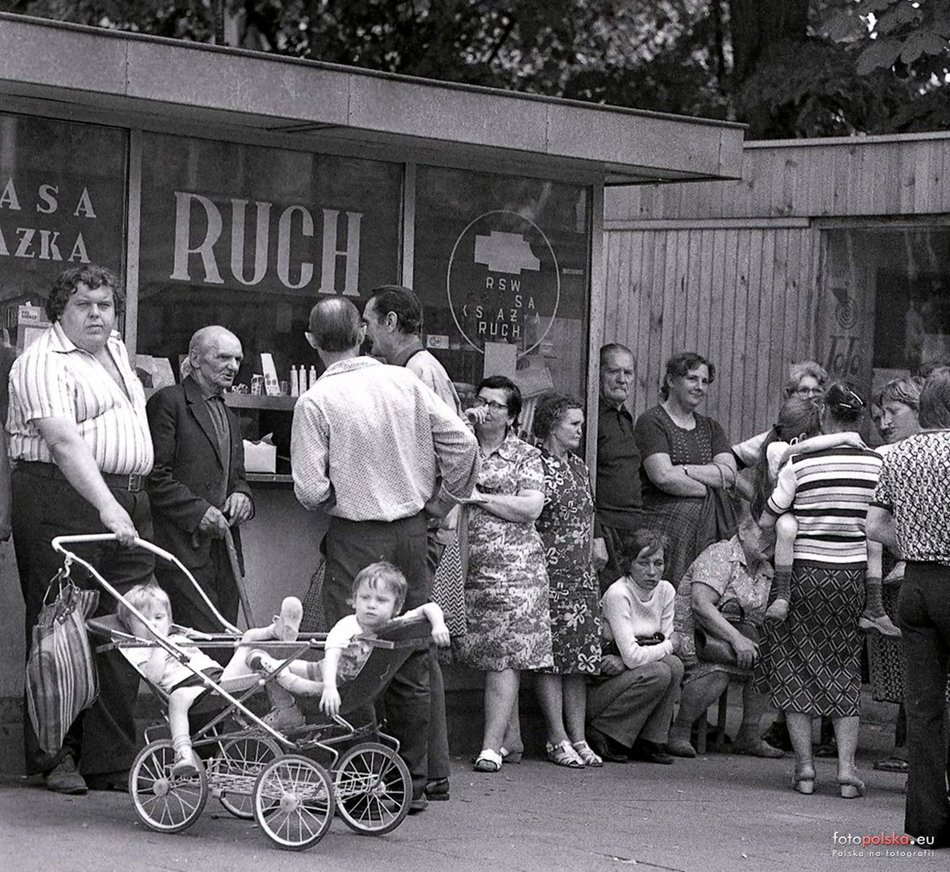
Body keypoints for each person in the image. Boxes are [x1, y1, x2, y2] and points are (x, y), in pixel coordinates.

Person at [290, 296, 479, 812]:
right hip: (411, 533)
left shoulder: (316, 401)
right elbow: (464, 444)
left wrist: (338, 496)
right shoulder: (406, 382)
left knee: (351, 652)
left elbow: (308, 489)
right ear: (362, 334)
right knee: (412, 653)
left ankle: (363, 776)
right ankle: (411, 781)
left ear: (312, 342)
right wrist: (441, 502)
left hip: (356, 536)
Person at [7, 264, 155, 794]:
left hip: (128, 499)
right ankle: (56, 757)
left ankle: (110, 757)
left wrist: (128, 502)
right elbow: (66, 443)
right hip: (61, 497)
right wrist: (108, 507)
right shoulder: (40, 362)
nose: (97, 314)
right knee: (59, 627)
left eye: (106, 304)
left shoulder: (115, 350)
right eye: (84, 305)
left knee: (129, 622)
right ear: (59, 311)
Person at [759, 383, 883, 799]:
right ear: (860, 419)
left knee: (797, 667)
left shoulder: (800, 464)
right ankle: (847, 771)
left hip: (804, 576)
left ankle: (806, 770)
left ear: (825, 416)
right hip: (853, 579)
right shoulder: (877, 464)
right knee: (845, 666)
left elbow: (769, 517)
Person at [361, 284, 459, 800]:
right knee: (416, 647)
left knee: (412, 648)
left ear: (393, 322)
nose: (366, 333)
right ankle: (431, 769)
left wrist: (435, 510)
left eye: (371, 322)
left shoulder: (414, 373)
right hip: (422, 522)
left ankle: (427, 770)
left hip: (418, 524)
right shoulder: (423, 369)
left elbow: (453, 451)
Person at [452, 376, 553, 773]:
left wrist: (481, 498)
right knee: (487, 652)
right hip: (470, 566)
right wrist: (460, 427)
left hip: (516, 572)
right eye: (482, 401)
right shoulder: (465, 447)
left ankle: (490, 747)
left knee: (504, 656)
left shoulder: (525, 455)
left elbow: (530, 507)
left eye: (496, 405)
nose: (486, 410)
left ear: (511, 416)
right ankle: (511, 738)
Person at [868, 367, 950, 847]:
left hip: (916, 584)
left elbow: (874, 525)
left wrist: (916, 545)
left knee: (921, 708)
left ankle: (926, 823)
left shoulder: (897, 455)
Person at [116, 584, 303, 776]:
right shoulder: (138, 648)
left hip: (218, 679)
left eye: (158, 618)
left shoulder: (178, 636)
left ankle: (278, 630)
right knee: (177, 699)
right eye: (143, 621)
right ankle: (183, 752)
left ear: (170, 621)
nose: (152, 625)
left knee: (251, 641)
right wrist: (158, 647)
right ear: (129, 626)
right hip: (189, 689)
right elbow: (153, 677)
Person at [146, 326, 254, 635]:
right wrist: (198, 512)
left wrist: (242, 495)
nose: (232, 366)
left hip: (224, 551)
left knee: (223, 641)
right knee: (201, 643)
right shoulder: (169, 402)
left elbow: (237, 477)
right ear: (195, 359)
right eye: (223, 357)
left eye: (237, 359)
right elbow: (155, 476)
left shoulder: (228, 414)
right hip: (183, 549)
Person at [252, 562, 450, 719]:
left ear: (396, 607)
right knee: (284, 665)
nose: (371, 605)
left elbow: (427, 607)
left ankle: (280, 683)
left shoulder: (394, 624)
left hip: (339, 686)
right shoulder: (349, 625)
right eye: (365, 598)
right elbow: (332, 654)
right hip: (325, 675)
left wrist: (438, 624)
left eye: (381, 600)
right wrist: (329, 686)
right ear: (354, 600)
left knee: (291, 679)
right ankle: (276, 673)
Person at [666, 513, 783, 759]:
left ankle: (748, 735)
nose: (769, 540)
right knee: (719, 670)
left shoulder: (766, 569)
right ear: (742, 530)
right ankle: (680, 731)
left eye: (774, 534)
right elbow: (701, 605)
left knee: (769, 661)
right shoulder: (721, 554)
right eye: (763, 532)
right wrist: (736, 640)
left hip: (732, 637)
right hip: (696, 636)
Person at [531, 393, 603, 768]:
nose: (580, 429)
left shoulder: (579, 467)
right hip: (547, 571)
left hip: (580, 574)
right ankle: (556, 738)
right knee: (552, 659)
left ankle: (579, 736)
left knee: (579, 660)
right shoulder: (534, 464)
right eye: (573, 423)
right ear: (551, 425)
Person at [635, 352, 738, 587]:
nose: (700, 387)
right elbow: (662, 476)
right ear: (671, 381)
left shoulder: (711, 428)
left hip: (706, 524)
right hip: (662, 524)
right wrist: (711, 485)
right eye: (692, 379)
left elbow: (730, 474)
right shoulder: (652, 422)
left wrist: (682, 469)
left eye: (704, 381)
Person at [587, 528, 684, 765]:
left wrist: (631, 656)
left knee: (675, 665)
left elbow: (658, 644)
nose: (652, 572)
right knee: (660, 670)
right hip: (601, 686)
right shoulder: (619, 593)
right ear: (628, 563)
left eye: (658, 563)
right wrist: (659, 647)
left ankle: (650, 740)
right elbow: (665, 644)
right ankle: (603, 732)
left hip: (630, 669)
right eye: (643, 563)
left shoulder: (666, 590)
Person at [867, 376, 924, 775]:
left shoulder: (896, 456)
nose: (885, 421)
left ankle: (912, 746)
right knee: (908, 654)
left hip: (916, 565)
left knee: (920, 654)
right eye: (880, 414)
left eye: (893, 412)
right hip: (892, 564)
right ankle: (906, 742)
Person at [594, 343, 639, 590]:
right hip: (606, 528)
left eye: (628, 373)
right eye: (614, 371)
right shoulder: (591, 418)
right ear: (598, 373)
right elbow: (583, 479)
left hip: (631, 529)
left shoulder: (626, 418)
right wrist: (595, 532)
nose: (622, 379)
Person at [732, 361, 829, 471]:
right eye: (804, 390)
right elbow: (732, 458)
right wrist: (747, 488)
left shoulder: (831, 433)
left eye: (817, 391)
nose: (811, 396)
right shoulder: (776, 436)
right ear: (789, 395)